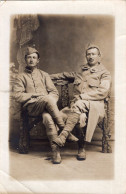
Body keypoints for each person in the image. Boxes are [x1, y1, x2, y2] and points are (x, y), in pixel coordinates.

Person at [14, 46, 78, 164]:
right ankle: (65, 131)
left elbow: (53, 92)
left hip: (46, 105)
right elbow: (17, 95)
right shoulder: (21, 77)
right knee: (47, 99)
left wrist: (50, 101)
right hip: (31, 107)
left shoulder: (44, 75)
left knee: (48, 118)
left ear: (38, 61)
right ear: (25, 60)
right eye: (29, 58)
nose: (31, 60)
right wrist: (33, 95)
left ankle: (55, 152)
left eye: (34, 58)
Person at [51, 45, 111, 160]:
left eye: (93, 54)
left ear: (99, 57)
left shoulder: (105, 73)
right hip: (78, 107)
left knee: (78, 104)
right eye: (88, 54)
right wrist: (45, 77)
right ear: (86, 56)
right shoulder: (81, 71)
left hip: (95, 105)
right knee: (77, 113)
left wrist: (83, 96)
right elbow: (64, 75)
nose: (91, 56)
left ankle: (64, 136)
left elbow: (103, 92)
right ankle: (80, 147)